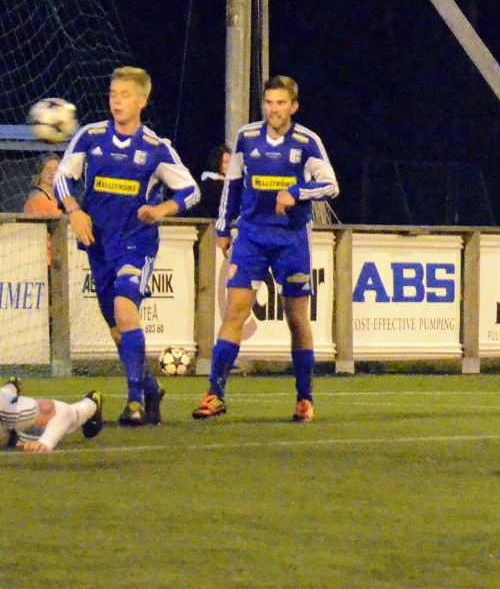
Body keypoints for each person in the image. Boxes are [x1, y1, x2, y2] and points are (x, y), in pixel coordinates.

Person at [53, 66, 200, 426]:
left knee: (124, 307)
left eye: (125, 95)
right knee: (118, 329)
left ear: (142, 101)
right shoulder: (90, 136)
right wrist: (74, 211)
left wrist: (160, 210)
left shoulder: (156, 148)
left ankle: (134, 401)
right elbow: (62, 178)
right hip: (99, 245)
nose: (116, 101)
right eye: (113, 94)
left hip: (136, 243)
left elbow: (191, 190)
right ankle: (151, 389)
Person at [192, 75, 338, 422]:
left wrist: (297, 192)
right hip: (252, 238)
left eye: (281, 103)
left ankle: (304, 398)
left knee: (297, 318)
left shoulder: (307, 142)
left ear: (293, 107)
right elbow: (232, 185)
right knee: (234, 313)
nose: (274, 109)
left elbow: (331, 186)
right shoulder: (247, 137)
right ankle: (215, 395)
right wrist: (223, 228)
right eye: (269, 103)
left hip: (291, 240)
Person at [1, 377, 103, 452]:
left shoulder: (13, 412)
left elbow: (63, 411)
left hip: (12, 415)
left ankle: (92, 402)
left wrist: (46, 441)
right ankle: (12, 386)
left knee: (73, 412)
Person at [195, 144, 231, 219]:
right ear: (217, 163)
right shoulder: (210, 184)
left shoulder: (232, 182)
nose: (230, 165)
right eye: (226, 162)